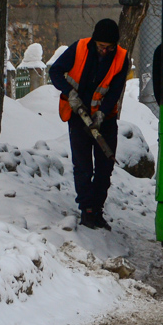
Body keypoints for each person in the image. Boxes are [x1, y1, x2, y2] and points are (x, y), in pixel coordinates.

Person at [49, 18, 131, 230]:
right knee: (83, 166)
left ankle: (97, 209)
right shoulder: (79, 49)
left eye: (109, 47)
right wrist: (70, 95)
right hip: (78, 116)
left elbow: (114, 91)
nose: (105, 51)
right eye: (101, 46)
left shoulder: (121, 58)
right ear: (94, 42)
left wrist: (102, 114)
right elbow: (55, 72)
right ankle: (87, 211)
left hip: (105, 119)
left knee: (105, 167)